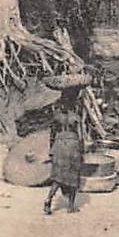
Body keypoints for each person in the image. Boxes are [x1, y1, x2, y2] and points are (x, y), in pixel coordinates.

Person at [43, 86, 85, 215]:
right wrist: (82, 152)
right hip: (72, 145)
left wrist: (51, 150)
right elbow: (81, 136)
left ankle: (48, 199)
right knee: (73, 175)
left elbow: (52, 134)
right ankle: (71, 206)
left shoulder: (56, 117)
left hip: (59, 145)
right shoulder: (76, 117)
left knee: (58, 176)